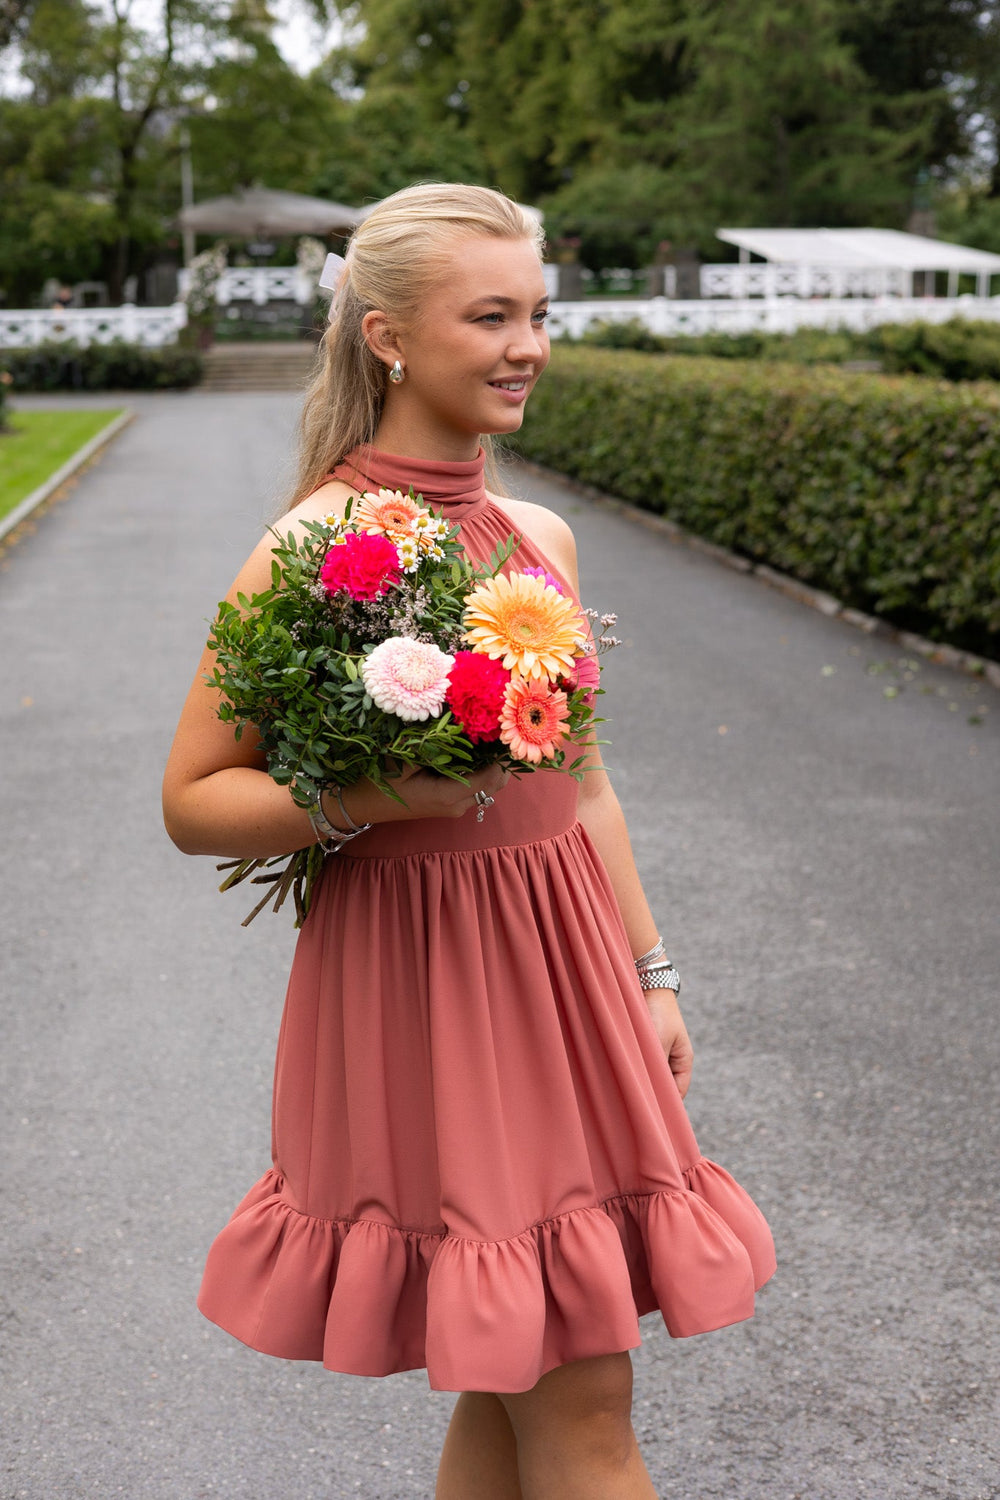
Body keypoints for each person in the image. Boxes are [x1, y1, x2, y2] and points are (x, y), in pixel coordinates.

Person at [162, 182, 775, 1499]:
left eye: (537, 314)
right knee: (584, 1394)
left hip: (566, 986)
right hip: (432, 997)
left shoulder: (538, 537)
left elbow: (589, 789)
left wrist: (651, 975)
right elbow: (193, 799)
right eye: (489, 315)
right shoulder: (315, 548)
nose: (527, 346)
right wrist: (377, 803)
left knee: (522, 1382)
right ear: (387, 335)